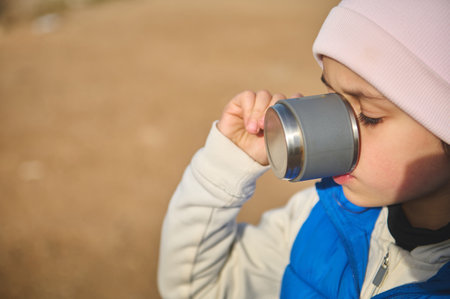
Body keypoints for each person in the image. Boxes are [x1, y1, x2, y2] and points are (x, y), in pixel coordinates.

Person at [158, 0, 450, 298]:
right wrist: (225, 166)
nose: (335, 132)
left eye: (369, 116)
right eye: (332, 99)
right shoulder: (319, 214)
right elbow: (200, 289)